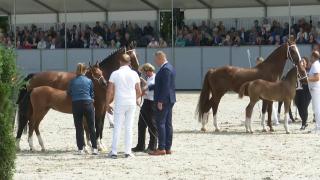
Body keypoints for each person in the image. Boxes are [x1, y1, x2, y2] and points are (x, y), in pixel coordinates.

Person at [106, 54, 142, 159]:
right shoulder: (134, 73)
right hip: (131, 103)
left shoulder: (115, 73)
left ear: (120, 62)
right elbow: (139, 91)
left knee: (117, 127)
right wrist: (134, 99)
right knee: (129, 127)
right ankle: (128, 152)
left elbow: (109, 90)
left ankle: (114, 152)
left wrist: (107, 103)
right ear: (129, 62)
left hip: (120, 102)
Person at [149, 51, 176, 156]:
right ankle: (167, 148)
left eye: (156, 59)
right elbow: (160, 84)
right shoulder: (170, 67)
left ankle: (161, 148)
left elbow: (165, 87)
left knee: (160, 123)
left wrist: (160, 101)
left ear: (160, 58)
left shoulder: (165, 69)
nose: (155, 62)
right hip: (169, 99)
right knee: (168, 124)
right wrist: (148, 87)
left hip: (164, 100)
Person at [68, 63, 98, 155]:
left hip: (76, 104)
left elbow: (69, 92)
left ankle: (80, 149)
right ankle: (94, 148)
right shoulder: (89, 81)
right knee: (91, 127)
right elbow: (92, 93)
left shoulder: (72, 81)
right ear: (85, 71)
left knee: (79, 127)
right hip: (88, 104)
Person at [132, 63, 158, 153]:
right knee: (141, 124)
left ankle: (152, 146)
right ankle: (140, 145)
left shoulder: (154, 78)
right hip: (146, 103)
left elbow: (146, 88)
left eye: (145, 72)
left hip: (151, 103)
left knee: (152, 125)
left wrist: (137, 96)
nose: (144, 73)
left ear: (148, 70)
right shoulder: (148, 78)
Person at [295, 57, 312, 130]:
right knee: (299, 108)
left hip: (306, 92)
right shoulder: (297, 72)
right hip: (297, 92)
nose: (302, 62)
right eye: (301, 61)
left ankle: (303, 124)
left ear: (306, 63)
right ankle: (304, 121)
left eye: (303, 61)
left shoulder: (308, 72)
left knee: (304, 108)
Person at [308, 50, 320, 133]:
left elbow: (317, 78)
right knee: (316, 108)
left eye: (311, 56)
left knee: (317, 109)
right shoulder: (315, 64)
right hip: (314, 89)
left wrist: (307, 79)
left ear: (313, 57)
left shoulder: (315, 65)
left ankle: (318, 127)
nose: (310, 57)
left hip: (315, 89)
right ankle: (317, 126)